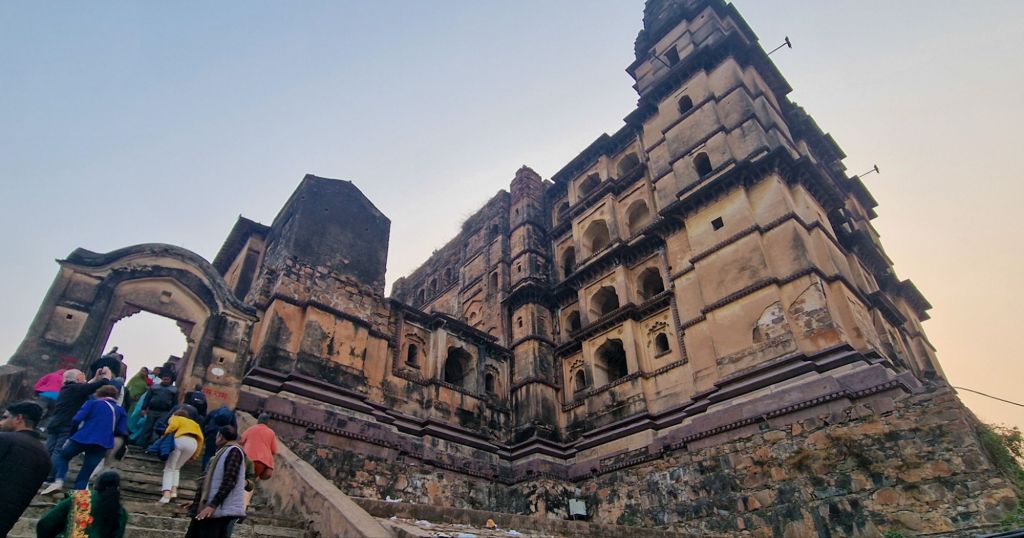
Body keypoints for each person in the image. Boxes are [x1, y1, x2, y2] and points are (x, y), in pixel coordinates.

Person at [42, 385, 128, 495]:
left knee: (63, 456)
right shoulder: (120, 411)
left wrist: (73, 433)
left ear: (99, 394)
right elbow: (120, 430)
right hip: (102, 443)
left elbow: (77, 419)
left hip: (82, 438)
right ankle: (78, 499)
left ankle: (59, 481)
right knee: (85, 475)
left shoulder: (92, 403)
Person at [43, 367, 112, 481]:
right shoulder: (77, 389)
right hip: (67, 425)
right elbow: (98, 385)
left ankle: (41, 471)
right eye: (82, 374)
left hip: (54, 422)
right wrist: (107, 375)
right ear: (78, 378)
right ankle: (51, 476)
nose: (84, 376)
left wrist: (95, 378)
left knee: (48, 449)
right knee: (58, 451)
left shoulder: (66, 389)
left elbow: (85, 387)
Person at [0, 401, 51, 537]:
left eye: (5, 417)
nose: (1, 423)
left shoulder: (4, 439)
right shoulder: (45, 456)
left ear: (19, 418)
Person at [185, 426, 247, 537]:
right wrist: (198, 502)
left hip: (217, 510)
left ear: (221, 437)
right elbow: (211, 482)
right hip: (207, 508)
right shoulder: (222, 452)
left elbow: (229, 480)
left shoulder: (234, 451)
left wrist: (212, 505)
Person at [36, 470, 128, 538]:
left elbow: (46, 523)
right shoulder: (121, 511)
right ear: (118, 488)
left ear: (97, 484)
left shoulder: (80, 497)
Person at [160, 409, 204, 503]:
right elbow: (201, 439)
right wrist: (195, 455)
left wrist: (165, 434)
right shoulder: (195, 424)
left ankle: (166, 494)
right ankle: (174, 491)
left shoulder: (176, 418)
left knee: (169, 468)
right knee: (177, 468)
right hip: (193, 443)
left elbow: (173, 426)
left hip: (180, 440)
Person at [139, 371, 177, 446]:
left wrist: (173, 414)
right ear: (162, 379)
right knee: (147, 428)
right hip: (152, 411)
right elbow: (147, 398)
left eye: (167, 379)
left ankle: (152, 445)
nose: (165, 381)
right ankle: (142, 444)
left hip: (165, 412)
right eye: (164, 379)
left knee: (157, 429)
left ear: (170, 380)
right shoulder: (154, 387)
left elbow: (175, 403)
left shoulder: (174, 390)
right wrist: (143, 409)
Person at [240, 414, 279, 481]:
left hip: (247, 458)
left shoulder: (251, 429)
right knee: (250, 480)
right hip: (261, 463)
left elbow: (241, 441)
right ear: (268, 422)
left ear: (258, 420)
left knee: (240, 478)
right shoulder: (271, 433)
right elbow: (274, 450)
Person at [201, 405, 237, 471]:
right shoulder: (231, 414)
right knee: (219, 453)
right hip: (224, 435)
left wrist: (204, 434)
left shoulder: (214, 411)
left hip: (212, 432)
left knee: (208, 452)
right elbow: (234, 427)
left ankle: (204, 469)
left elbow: (204, 422)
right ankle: (213, 470)